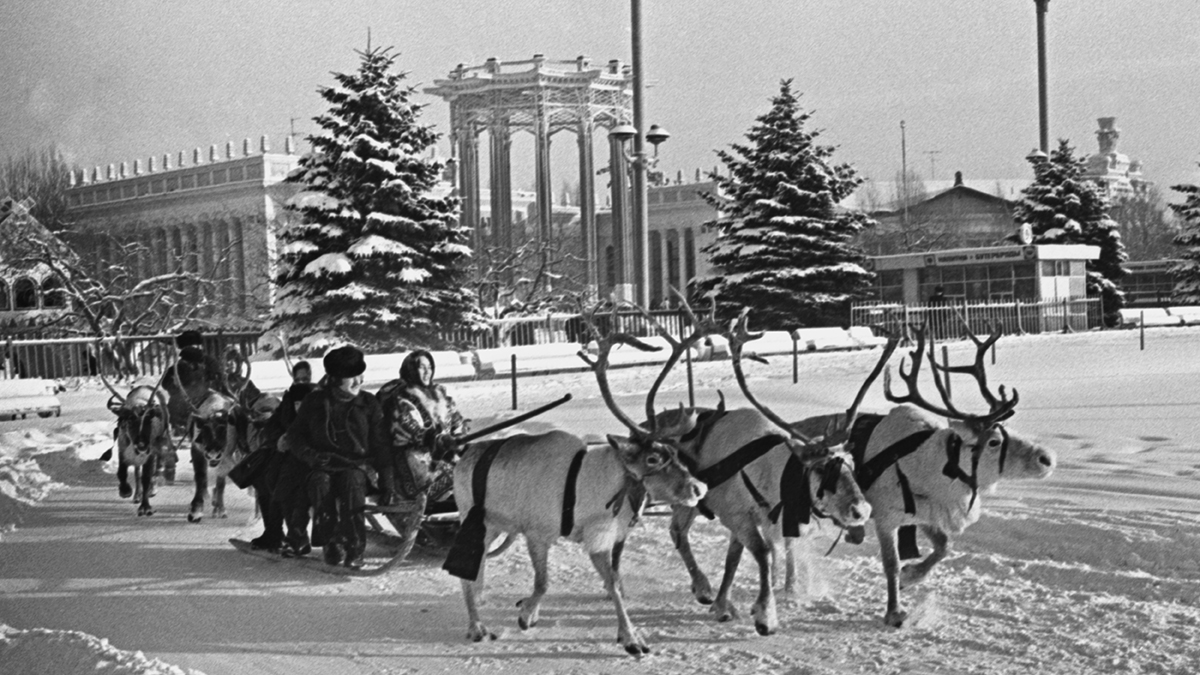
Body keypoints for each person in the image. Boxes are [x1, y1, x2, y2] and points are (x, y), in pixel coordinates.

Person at [280, 345, 392, 569]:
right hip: (323, 465)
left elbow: (382, 445)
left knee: (351, 482)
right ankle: (332, 542)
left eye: (360, 375)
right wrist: (310, 455)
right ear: (336, 379)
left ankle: (355, 547)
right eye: (352, 377)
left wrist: (388, 482)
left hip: (357, 467)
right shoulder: (315, 402)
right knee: (319, 482)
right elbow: (295, 435)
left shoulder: (369, 403)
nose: (359, 381)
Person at [376, 350, 468, 505]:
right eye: (422, 367)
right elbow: (409, 427)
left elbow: (455, 420)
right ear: (411, 369)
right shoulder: (401, 399)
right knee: (460, 476)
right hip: (416, 460)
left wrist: (460, 436)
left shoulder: (439, 394)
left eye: (430, 367)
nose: (427, 372)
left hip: (444, 455)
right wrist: (435, 438)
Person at [159, 330, 224, 482]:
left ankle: (172, 454)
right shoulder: (182, 365)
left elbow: (166, 384)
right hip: (189, 401)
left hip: (199, 401)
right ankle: (170, 455)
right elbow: (167, 383)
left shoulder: (205, 363)